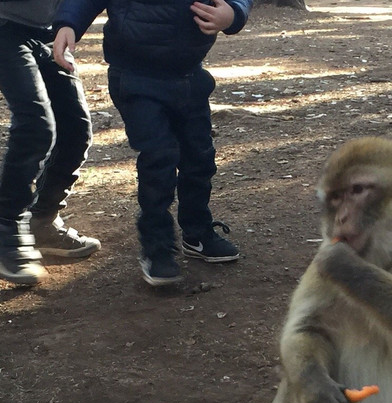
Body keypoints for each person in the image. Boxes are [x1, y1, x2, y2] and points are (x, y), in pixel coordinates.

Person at [51, 0, 252, 288]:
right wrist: (68, 23)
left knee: (199, 157)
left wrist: (233, 13)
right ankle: (157, 247)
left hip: (190, 75)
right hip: (136, 76)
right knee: (159, 156)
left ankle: (197, 232)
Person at [0, 0, 102, 286]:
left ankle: (42, 220)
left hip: (51, 29)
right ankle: (7, 229)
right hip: (0, 24)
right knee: (36, 125)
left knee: (76, 131)